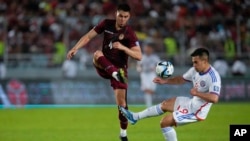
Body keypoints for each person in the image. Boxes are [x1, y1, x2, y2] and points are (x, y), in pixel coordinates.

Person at [66, 3, 142, 141]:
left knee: (122, 107)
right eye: (120, 16)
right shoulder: (106, 24)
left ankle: (123, 133)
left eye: (125, 17)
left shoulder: (129, 33)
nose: (122, 19)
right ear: (116, 14)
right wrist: (75, 48)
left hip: (120, 69)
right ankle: (113, 73)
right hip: (104, 64)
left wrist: (124, 48)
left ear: (129, 17)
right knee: (97, 54)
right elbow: (89, 36)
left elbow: (138, 56)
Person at [120, 48, 221, 141]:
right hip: (192, 102)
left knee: (165, 122)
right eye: (193, 62)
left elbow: (214, 98)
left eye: (196, 62)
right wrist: (165, 81)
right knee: (166, 104)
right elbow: (181, 79)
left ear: (205, 61)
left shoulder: (213, 77)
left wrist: (197, 93)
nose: (194, 65)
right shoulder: (194, 70)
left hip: (198, 111)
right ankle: (135, 117)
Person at [136, 43, 160, 107]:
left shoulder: (155, 57)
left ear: (151, 49)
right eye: (146, 48)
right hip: (144, 74)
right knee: (146, 89)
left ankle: (153, 97)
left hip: (152, 74)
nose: (147, 50)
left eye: (149, 48)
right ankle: (149, 105)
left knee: (151, 89)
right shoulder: (142, 57)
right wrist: (139, 70)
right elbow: (138, 66)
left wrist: (155, 68)